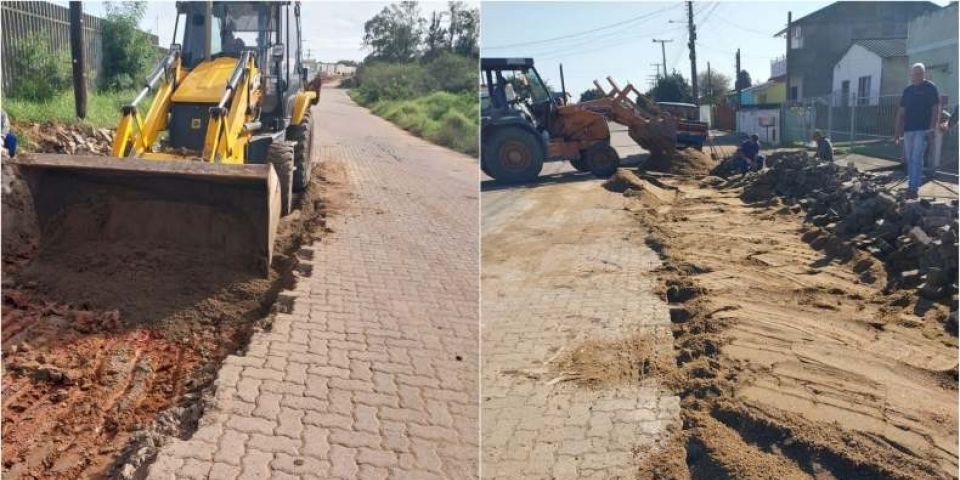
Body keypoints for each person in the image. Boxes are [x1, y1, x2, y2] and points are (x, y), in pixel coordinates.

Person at [894, 63, 940, 199]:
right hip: (908, 130)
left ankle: (912, 188)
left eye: (919, 73)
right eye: (914, 74)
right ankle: (914, 184)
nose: (917, 76)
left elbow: (935, 108)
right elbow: (901, 112)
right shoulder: (907, 91)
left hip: (923, 129)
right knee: (910, 159)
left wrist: (932, 128)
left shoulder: (930, 88)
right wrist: (897, 133)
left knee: (916, 158)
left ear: (924, 74)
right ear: (911, 75)